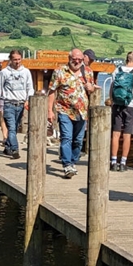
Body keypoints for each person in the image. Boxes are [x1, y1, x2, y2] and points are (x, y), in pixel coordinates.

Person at [47, 48, 97, 178]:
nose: (77, 62)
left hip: (82, 112)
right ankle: (67, 165)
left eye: (80, 60)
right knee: (66, 138)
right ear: (69, 59)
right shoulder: (59, 71)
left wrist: (91, 88)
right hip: (64, 110)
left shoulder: (88, 71)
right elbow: (52, 91)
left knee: (78, 141)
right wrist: (50, 111)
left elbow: (91, 89)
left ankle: (73, 162)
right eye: (75, 59)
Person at [108, 51, 133, 172]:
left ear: (126, 59)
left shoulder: (116, 70)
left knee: (115, 134)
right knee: (127, 135)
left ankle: (113, 162)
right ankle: (123, 163)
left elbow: (111, 89)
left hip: (117, 105)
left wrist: (112, 102)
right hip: (130, 106)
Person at [0, 50, 32, 160]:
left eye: (19, 59)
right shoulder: (4, 72)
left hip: (20, 104)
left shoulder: (26, 72)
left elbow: (30, 87)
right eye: (15, 59)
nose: (17, 61)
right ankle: (15, 149)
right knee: (11, 128)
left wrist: (28, 100)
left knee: (15, 128)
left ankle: (7, 147)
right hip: (8, 103)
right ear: (11, 60)